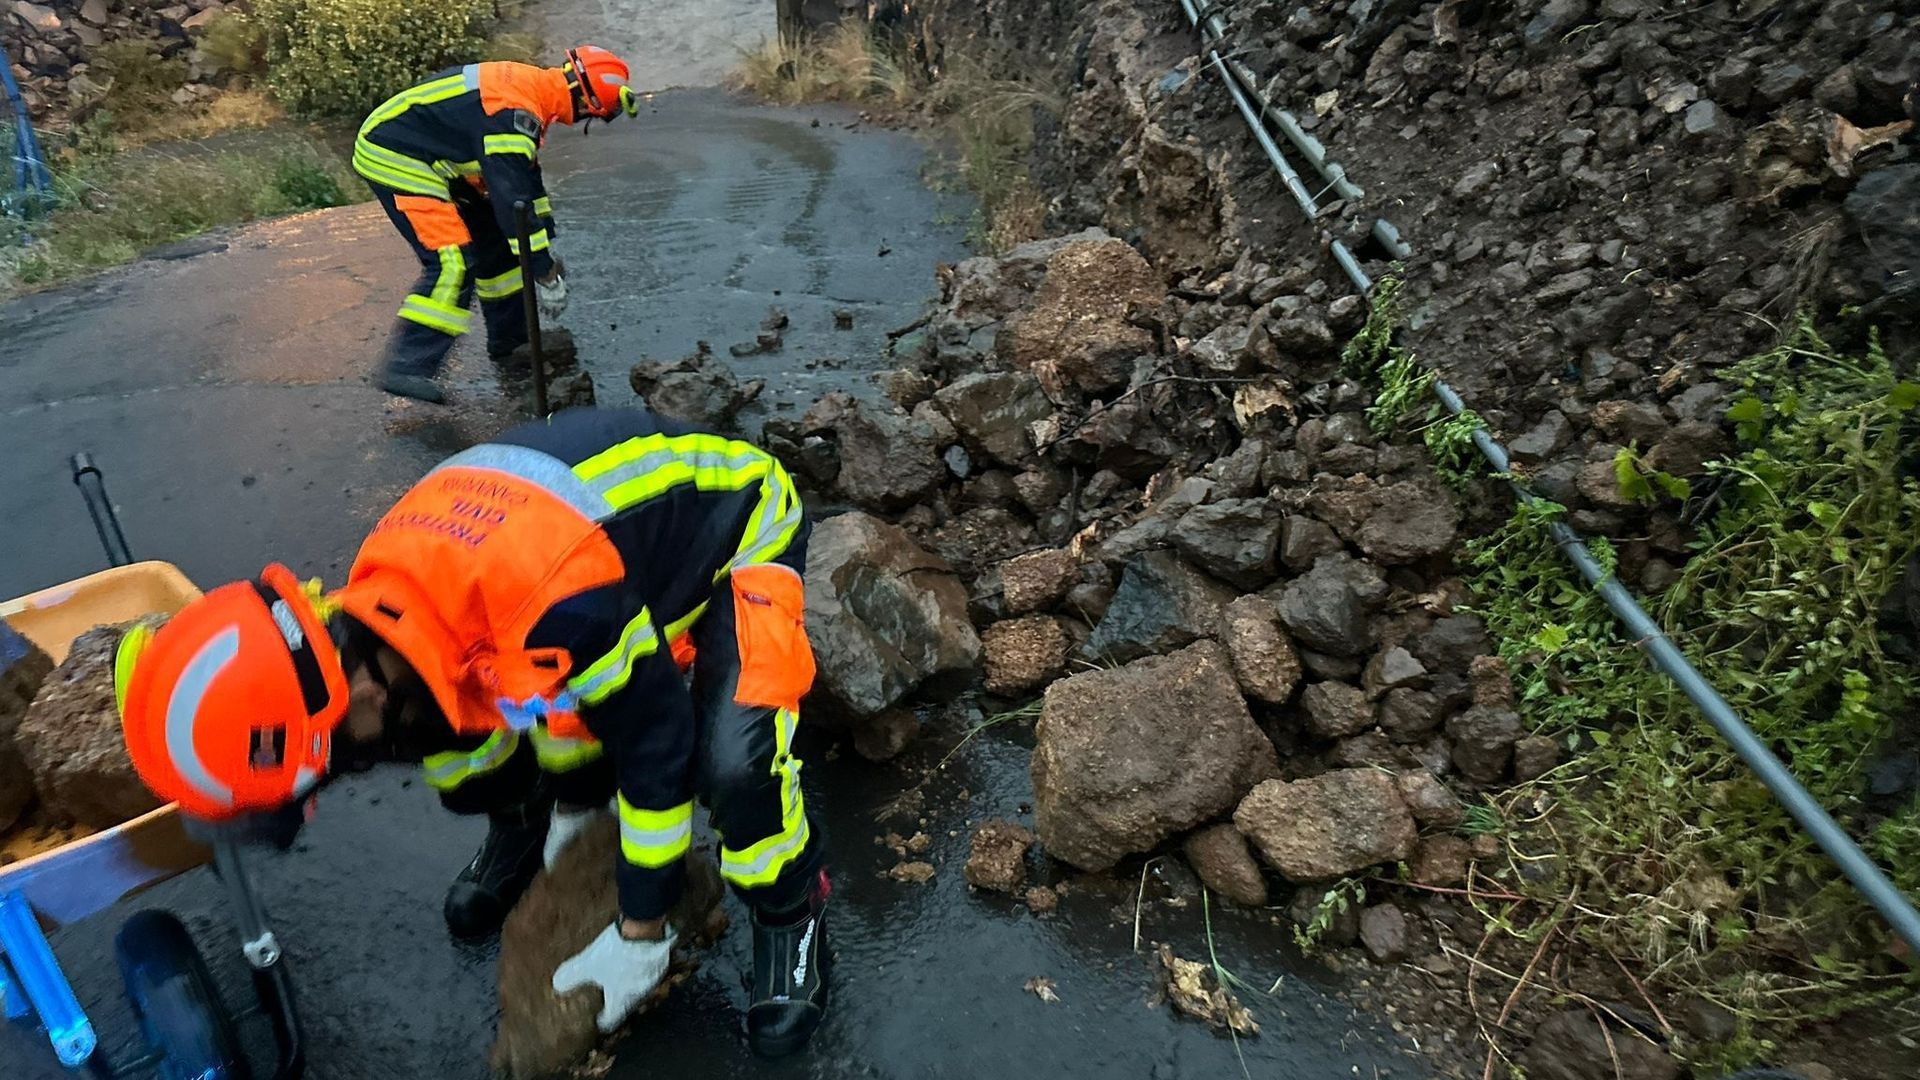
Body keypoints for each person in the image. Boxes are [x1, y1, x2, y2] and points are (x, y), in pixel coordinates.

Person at [115, 406, 831, 1057]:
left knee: (731, 762)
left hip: (733, 531)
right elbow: (479, 702)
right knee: (453, 740)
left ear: (358, 688)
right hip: (593, 569)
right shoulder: (366, 615)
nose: (322, 790)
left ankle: (790, 911)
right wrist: (576, 810)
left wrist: (639, 932)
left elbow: (656, 744)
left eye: (323, 766)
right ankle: (530, 820)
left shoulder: (555, 606)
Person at [354, 47, 637, 404]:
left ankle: (510, 344)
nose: (583, 122)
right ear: (586, 100)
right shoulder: (514, 113)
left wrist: (543, 248)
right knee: (452, 260)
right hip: (394, 155)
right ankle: (407, 366)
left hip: (435, 155)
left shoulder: (532, 93)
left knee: (500, 253)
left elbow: (526, 182)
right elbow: (512, 200)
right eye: (591, 116)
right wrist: (543, 270)